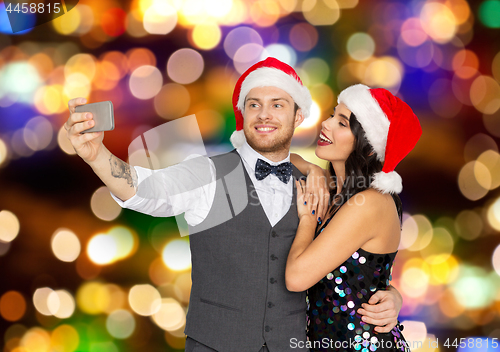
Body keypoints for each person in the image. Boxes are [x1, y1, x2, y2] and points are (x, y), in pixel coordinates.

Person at [64, 58, 403, 352]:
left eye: (278, 104)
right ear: (241, 113)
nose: (264, 115)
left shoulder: (320, 188)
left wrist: (392, 295)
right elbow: (146, 189)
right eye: (254, 104)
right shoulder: (211, 173)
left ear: (299, 115)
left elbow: (360, 261)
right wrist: (97, 156)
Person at [286, 84, 422, 351]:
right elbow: (281, 158)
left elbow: (296, 278)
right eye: (332, 115)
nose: (325, 124)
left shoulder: (371, 202)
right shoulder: (338, 191)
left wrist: (308, 218)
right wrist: (313, 168)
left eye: (341, 123)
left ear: (369, 148)